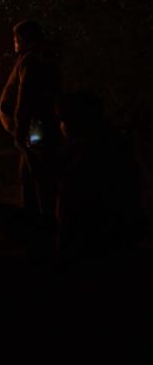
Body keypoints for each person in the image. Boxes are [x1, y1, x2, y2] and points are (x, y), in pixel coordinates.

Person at [56, 92, 147, 261]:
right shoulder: (113, 142)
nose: (61, 126)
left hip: (98, 236)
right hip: (122, 231)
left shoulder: (91, 152)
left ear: (75, 122)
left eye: (63, 121)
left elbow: (73, 201)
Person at [0, 20, 61, 232]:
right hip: (36, 127)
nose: (14, 42)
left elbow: (26, 96)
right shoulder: (38, 58)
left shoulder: (31, 60)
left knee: (38, 175)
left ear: (24, 39)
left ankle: (44, 222)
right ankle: (39, 220)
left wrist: (20, 128)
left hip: (35, 129)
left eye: (16, 38)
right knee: (30, 174)